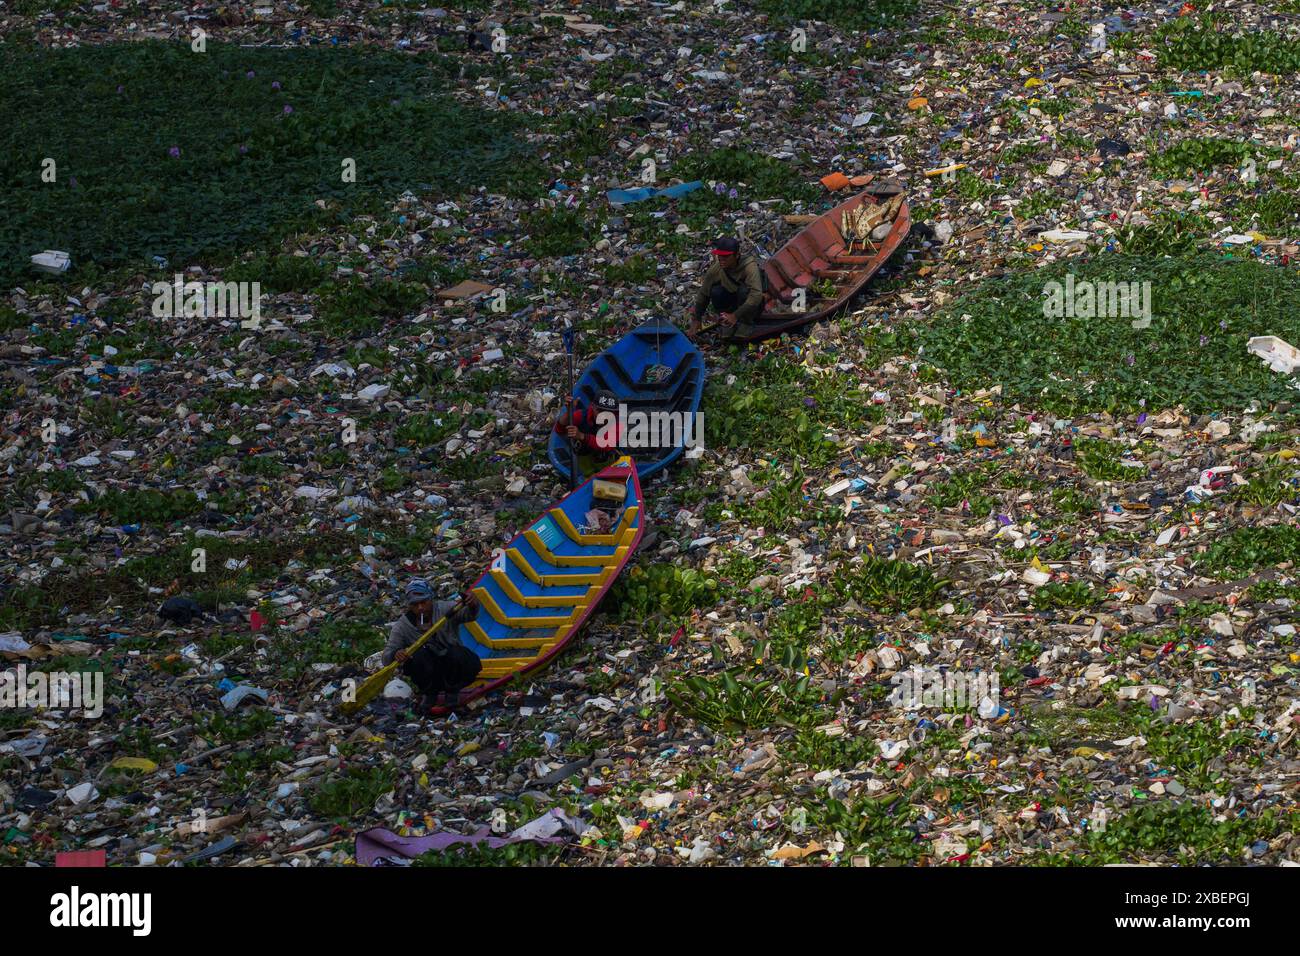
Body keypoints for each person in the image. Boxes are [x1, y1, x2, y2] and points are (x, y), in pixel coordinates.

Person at [383, 578, 482, 710]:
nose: (420, 608)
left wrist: (473, 604)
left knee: (459, 654)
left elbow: (469, 615)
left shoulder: (445, 609)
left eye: (424, 602)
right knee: (418, 656)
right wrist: (396, 654)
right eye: (415, 604)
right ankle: (430, 694)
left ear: (431, 599)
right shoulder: (403, 626)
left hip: (453, 669)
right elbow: (386, 657)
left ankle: (452, 693)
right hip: (428, 674)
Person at [688, 236, 765, 339]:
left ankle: (746, 323)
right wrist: (697, 318)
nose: (721, 260)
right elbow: (704, 293)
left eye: (726, 257)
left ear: (737, 255)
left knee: (744, 291)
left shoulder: (749, 267)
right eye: (720, 256)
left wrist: (735, 315)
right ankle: (726, 322)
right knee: (716, 292)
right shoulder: (718, 268)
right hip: (732, 303)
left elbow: (756, 296)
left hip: (750, 307)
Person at [553, 389, 623, 476]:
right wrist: (568, 413)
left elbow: (606, 445)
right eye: (600, 411)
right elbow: (559, 430)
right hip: (585, 460)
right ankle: (587, 474)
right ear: (593, 407)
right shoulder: (581, 415)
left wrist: (582, 436)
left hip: (607, 460)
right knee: (580, 446)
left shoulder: (617, 422)